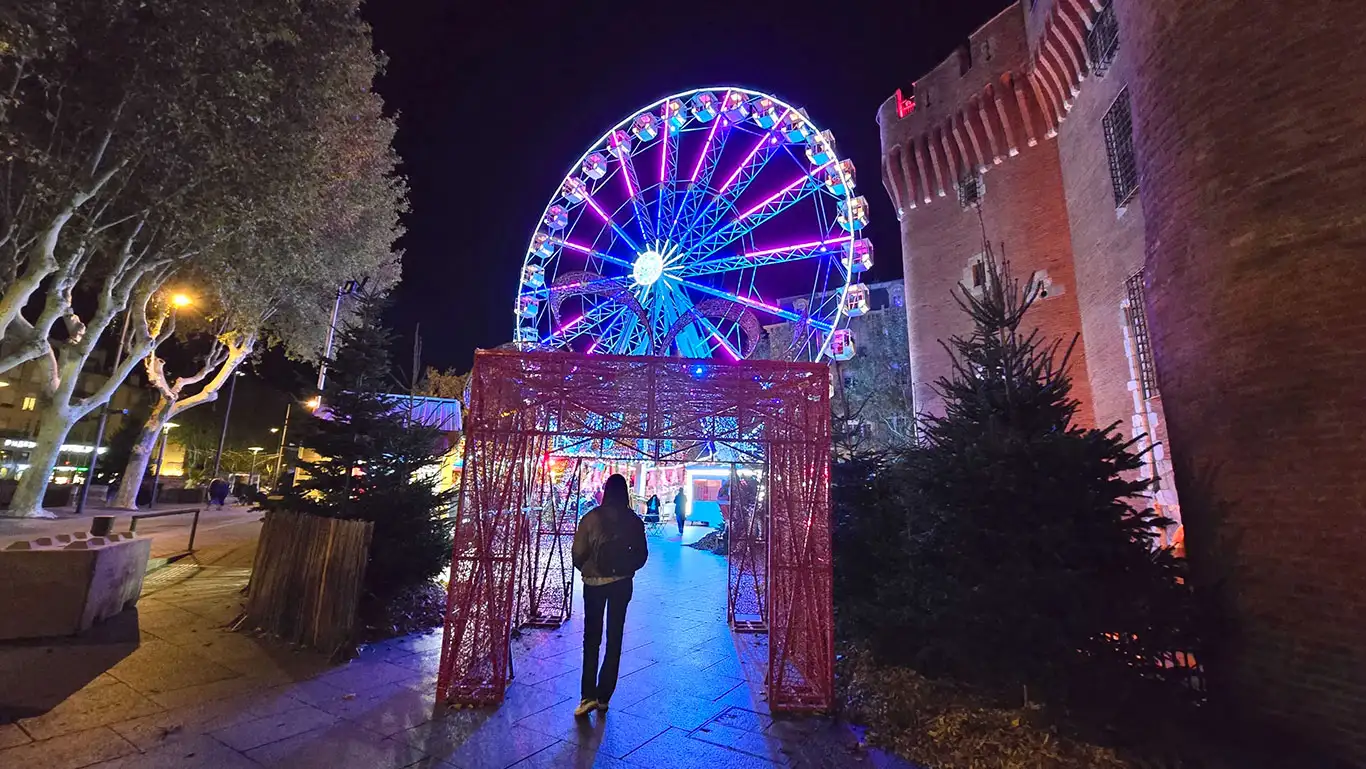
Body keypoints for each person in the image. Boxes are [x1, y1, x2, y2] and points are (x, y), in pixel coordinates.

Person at [571, 474, 647, 717]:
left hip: (593, 583)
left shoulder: (591, 518)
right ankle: (604, 696)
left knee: (591, 638)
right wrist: (624, 569)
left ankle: (587, 696)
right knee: (615, 638)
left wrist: (589, 567)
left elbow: (577, 553)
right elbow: (642, 555)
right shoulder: (633, 521)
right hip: (621, 584)